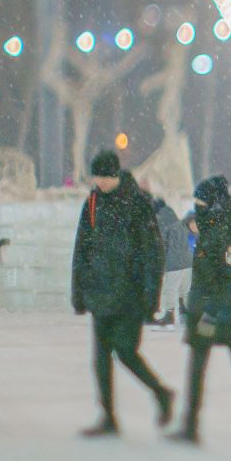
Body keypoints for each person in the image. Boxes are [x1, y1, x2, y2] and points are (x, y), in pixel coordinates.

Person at [70, 152, 172, 437]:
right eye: (95, 177)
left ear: (114, 175)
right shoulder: (92, 203)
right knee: (100, 357)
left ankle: (161, 393)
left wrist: (151, 298)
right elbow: (82, 250)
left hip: (130, 294)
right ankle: (108, 417)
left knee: (126, 351)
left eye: (102, 177)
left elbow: (153, 254)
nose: (98, 183)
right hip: (100, 292)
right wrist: (78, 291)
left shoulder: (138, 203)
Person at [169, 175, 231, 444]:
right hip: (209, 311)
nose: (197, 207)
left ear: (212, 205)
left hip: (221, 313)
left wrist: (210, 312)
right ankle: (190, 425)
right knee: (201, 365)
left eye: (200, 202)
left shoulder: (227, 236)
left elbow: (230, 280)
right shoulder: (213, 230)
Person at [153, 196, 192, 329]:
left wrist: (160, 262)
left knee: (169, 289)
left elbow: (162, 243)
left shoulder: (162, 220)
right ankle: (188, 314)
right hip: (187, 260)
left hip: (174, 262)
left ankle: (169, 316)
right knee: (185, 290)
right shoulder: (175, 218)